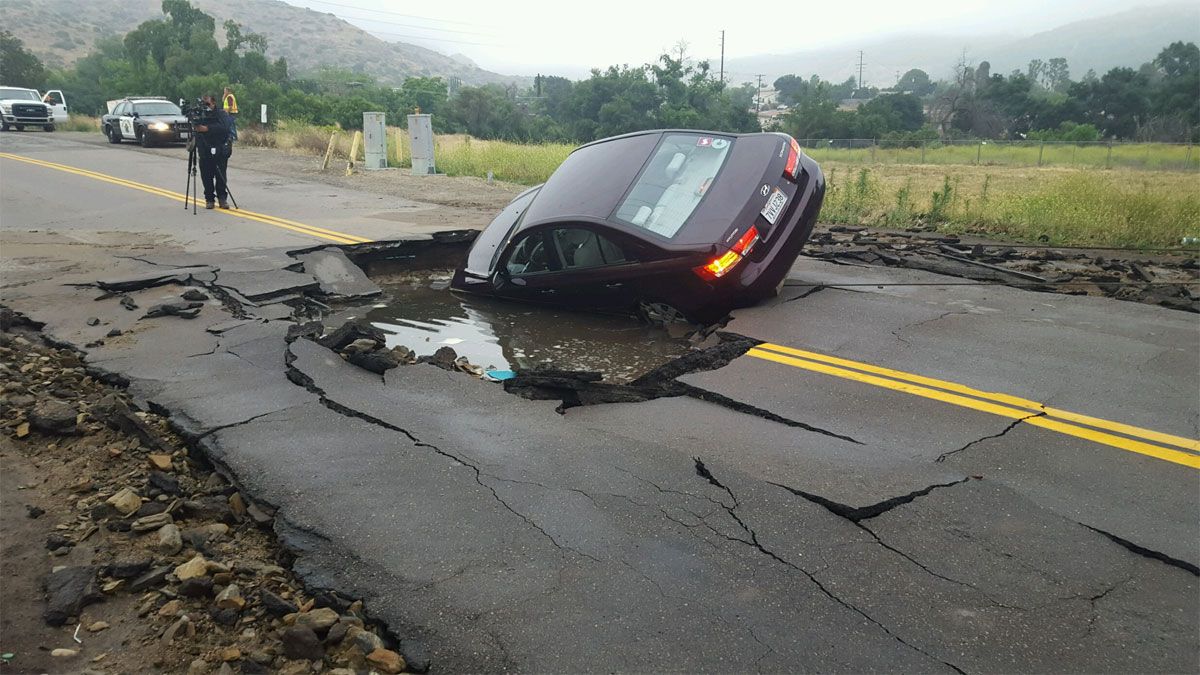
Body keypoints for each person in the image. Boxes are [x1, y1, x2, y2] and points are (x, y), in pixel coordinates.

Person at [193, 94, 234, 210]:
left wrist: (207, 129)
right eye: (203, 103)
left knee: (220, 175)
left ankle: (222, 198)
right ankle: (209, 199)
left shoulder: (221, 114)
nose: (206, 106)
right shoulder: (199, 114)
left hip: (219, 148)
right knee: (206, 176)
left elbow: (225, 127)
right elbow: (194, 127)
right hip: (204, 149)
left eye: (208, 104)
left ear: (214, 103)